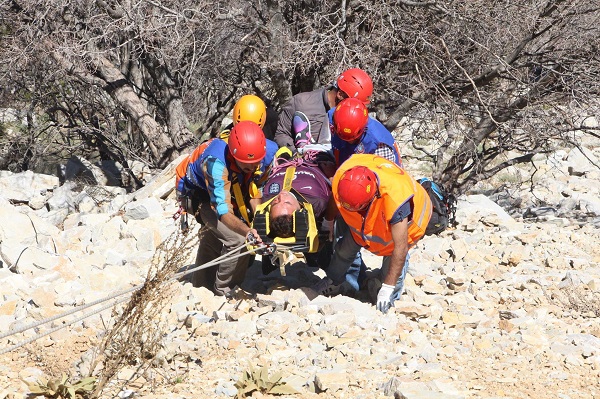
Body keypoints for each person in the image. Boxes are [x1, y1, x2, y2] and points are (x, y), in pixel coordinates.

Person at [175, 120, 278, 296]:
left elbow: (255, 188)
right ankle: (225, 289)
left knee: (213, 236)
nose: (253, 168)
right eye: (248, 166)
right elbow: (222, 211)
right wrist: (247, 232)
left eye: (256, 164)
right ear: (235, 156)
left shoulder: (263, 150)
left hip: (229, 188)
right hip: (197, 195)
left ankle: (201, 286)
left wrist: (260, 221)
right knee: (238, 239)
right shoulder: (215, 164)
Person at [325, 154, 432, 313]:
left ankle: (389, 299)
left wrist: (387, 287)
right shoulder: (343, 179)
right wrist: (328, 220)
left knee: (393, 259)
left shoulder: (396, 200)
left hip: (408, 224)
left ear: (373, 196)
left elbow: (400, 248)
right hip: (367, 221)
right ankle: (333, 282)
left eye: (359, 208)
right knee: (344, 250)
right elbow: (336, 199)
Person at [258, 150, 366, 294]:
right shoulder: (317, 202)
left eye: (277, 201)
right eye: (285, 202)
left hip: (303, 158)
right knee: (325, 238)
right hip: (315, 164)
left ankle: (346, 275)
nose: (282, 196)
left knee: (328, 238)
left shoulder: (268, 197)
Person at [274, 68, 373, 153]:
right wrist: (296, 154)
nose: (357, 108)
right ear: (340, 95)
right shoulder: (301, 103)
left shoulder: (357, 116)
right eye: (354, 102)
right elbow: (281, 134)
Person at [328, 97, 402, 167]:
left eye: (353, 139)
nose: (349, 141)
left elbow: (384, 175)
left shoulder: (378, 143)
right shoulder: (333, 117)